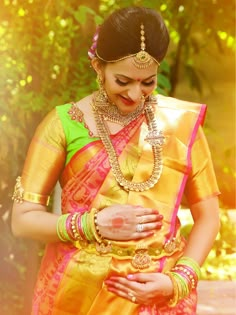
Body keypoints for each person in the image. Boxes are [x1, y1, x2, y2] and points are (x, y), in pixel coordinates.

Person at [11, 6, 220, 315]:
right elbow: (23, 219)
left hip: (160, 291)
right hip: (78, 294)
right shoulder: (64, 124)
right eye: (123, 80)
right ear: (98, 67)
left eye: (148, 82)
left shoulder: (181, 125)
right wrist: (92, 223)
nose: (136, 94)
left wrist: (179, 279)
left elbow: (208, 217)